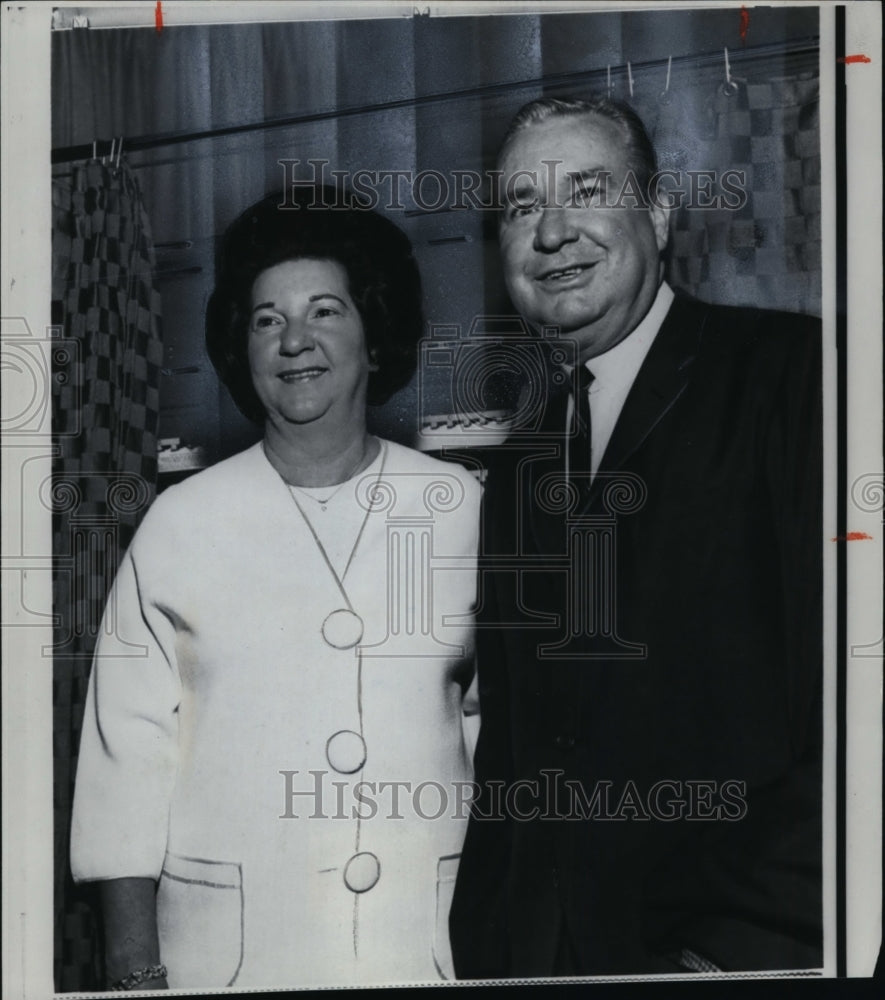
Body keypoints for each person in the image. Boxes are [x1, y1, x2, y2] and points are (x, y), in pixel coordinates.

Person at [71, 188, 481, 990]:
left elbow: (499, 730)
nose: (295, 341)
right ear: (241, 346)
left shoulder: (462, 508)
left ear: (372, 336)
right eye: (267, 319)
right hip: (229, 955)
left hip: (424, 943)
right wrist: (132, 968)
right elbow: (126, 764)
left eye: (325, 311)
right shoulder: (179, 523)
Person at [450, 97, 822, 976]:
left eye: (585, 190)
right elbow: (514, 746)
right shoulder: (521, 463)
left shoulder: (790, 377)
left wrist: (745, 947)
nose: (551, 234)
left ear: (656, 212)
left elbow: (855, 703)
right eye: (519, 206)